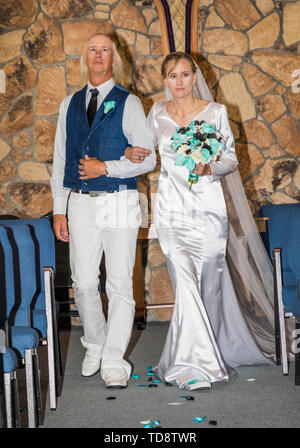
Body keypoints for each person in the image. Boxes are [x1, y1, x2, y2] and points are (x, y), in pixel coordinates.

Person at [125, 52, 276, 390]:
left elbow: (232, 159)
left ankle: (208, 350)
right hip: (172, 211)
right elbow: (147, 154)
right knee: (186, 283)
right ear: (165, 81)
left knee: (207, 285)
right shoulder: (158, 113)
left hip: (208, 212)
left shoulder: (217, 112)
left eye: (184, 74)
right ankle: (191, 368)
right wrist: (130, 153)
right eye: (171, 76)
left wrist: (210, 166)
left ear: (195, 77)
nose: (178, 81)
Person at [50, 33, 156, 389]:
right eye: (92, 49)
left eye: (105, 50)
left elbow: (148, 158)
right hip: (79, 203)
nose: (98, 55)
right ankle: (94, 343)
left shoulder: (130, 103)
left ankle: (114, 359)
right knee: (82, 283)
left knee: (120, 284)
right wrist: (58, 209)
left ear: (114, 60)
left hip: (120, 201)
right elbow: (61, 160)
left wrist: (106, 167)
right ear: (86, 58)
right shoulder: (69, 104)